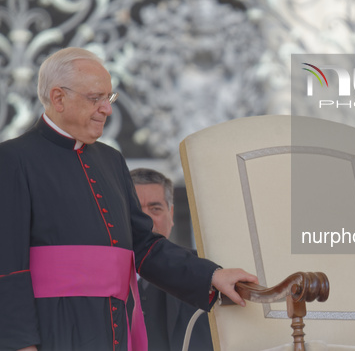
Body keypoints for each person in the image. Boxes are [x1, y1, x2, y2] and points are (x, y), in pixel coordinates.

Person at [0, 47, 258, 351]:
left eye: (108, 98)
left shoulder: (111, 160)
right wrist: (20, 345)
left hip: (113, 330)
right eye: (95, 98)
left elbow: (144, 246)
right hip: (55, 330)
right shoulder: (13, 159)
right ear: (58, 98)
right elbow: (7, 267)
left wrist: (211, 275)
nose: (106, 109)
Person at [130, 167, 213, 351]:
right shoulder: (94, 278)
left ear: (171, 214)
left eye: (155, 208)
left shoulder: (208, 271)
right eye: (136, 210)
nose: (146, 220)